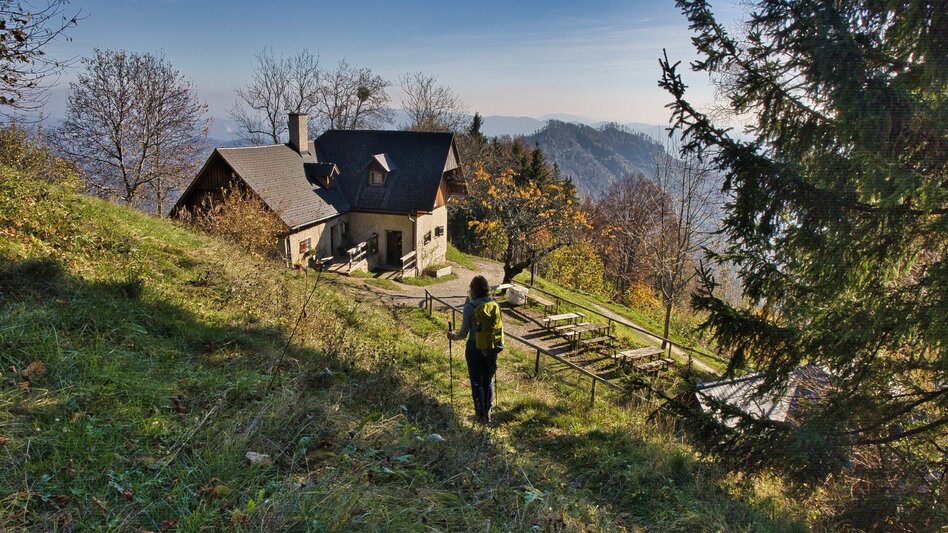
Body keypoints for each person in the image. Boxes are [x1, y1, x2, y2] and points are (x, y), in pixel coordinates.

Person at [447, 275, 504, 424]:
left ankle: (480, 416)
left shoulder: (470, 307)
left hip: (474, 348)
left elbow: (463, 333)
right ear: (486, 288)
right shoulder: (495, 304)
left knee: (476, 382)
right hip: (491, 348)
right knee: (488, 380)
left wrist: (452, 336)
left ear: (472, 289)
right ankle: (488, 413)